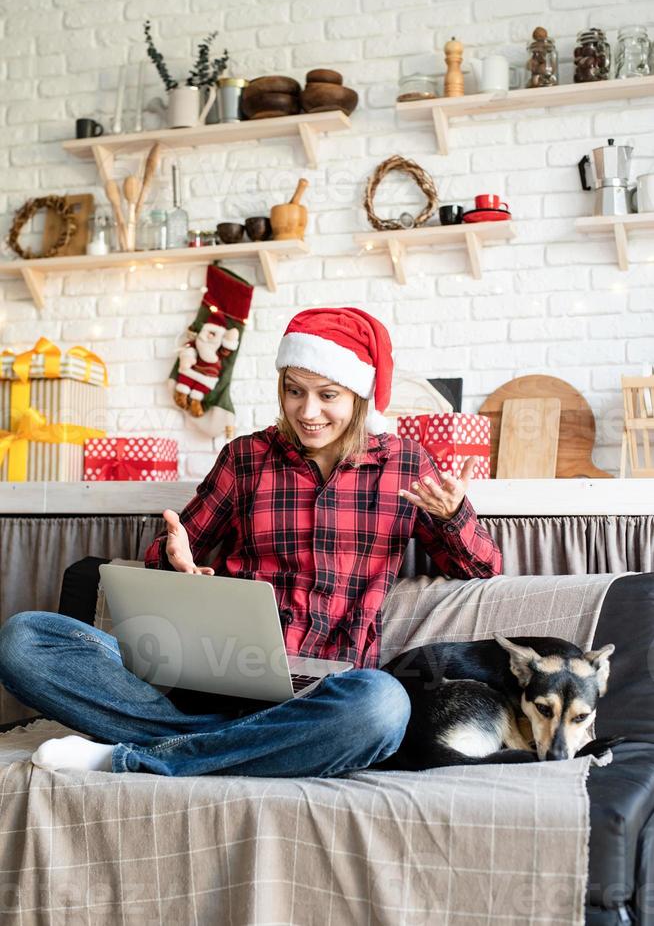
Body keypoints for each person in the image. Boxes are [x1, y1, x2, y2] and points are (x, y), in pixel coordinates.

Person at [0, 307, 501, 778]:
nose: (308, 411)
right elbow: (176, 548)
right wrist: (175, 561)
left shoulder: (406, 466)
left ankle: (136, 757)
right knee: (25, 638)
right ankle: (230, 745)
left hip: (323, 696)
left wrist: (455, 516)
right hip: (217, 679)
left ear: (359, 397)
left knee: (383, 705)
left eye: (328, 395)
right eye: (294, 391)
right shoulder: (246, 457)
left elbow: (483, 572)